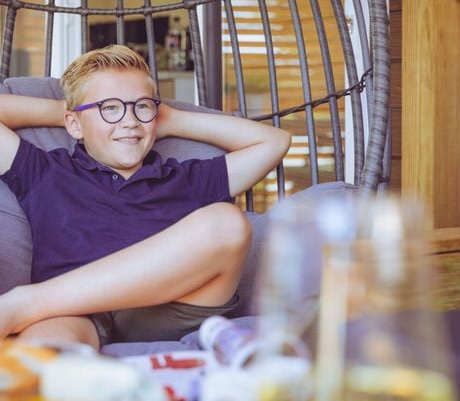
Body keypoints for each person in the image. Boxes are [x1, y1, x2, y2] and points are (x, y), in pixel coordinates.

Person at [0, 45, 291, 350]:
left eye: (141, 106)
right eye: (110, 108)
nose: (130, 121)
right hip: (72, 313)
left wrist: (173, 119)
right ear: (73, 124)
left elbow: (274, 141)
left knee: (227, 223)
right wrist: (70, 114)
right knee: (43, 352)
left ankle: (26, 303)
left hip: (168, 308)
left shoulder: (185, 178)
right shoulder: (44, 170)